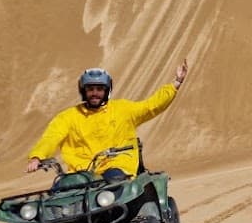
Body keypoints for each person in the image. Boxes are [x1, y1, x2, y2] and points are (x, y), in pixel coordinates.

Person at [26, 60, 189, 180]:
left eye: (99, 89)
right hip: (80, 172)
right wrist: (37, 156)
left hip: (116, 166)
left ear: (107, 91)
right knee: (58, 194)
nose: (95, 93)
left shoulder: (122, 109)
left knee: (114, 186)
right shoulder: (68, 117)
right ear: (83, 91)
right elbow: (51, 137)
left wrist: (175, 83)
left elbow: (151, 106)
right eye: (90, 89)